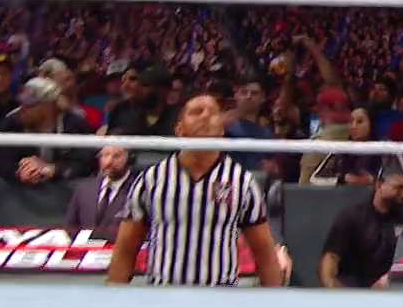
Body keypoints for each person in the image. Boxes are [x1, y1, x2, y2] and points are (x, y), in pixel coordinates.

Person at [105, 95, 284, 288]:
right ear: (179, 129)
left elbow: (264, 254)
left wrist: (275, 301)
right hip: (163, 296)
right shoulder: (151, 180)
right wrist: (113, 299)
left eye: (213, 113)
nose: (205, 116)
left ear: (222, 129)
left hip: (220, 297)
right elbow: (125, 251)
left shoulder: (241, 182)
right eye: (196, 112)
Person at [319, 168, 403, 288]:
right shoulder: (352, 216)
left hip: (391, 288)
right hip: (353, 287)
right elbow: (331, 257)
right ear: (379, 185)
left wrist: (388, 279)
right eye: (398, 188)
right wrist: (332, 287)